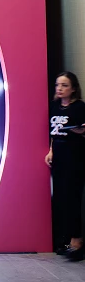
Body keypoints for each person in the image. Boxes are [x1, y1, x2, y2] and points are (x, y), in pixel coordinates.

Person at [45, 71, 85, 259]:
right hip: (58, 156)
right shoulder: (54, 106)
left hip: (75, 156)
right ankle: (64, 240)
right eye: (57, 85)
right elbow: (53, 132)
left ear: (73, 88)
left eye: (64, 85)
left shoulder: (79, 107)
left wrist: (79, 130)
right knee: (60, 198)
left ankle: (77, 241)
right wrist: (51, 150)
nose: (59, 88)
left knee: (72, 199)